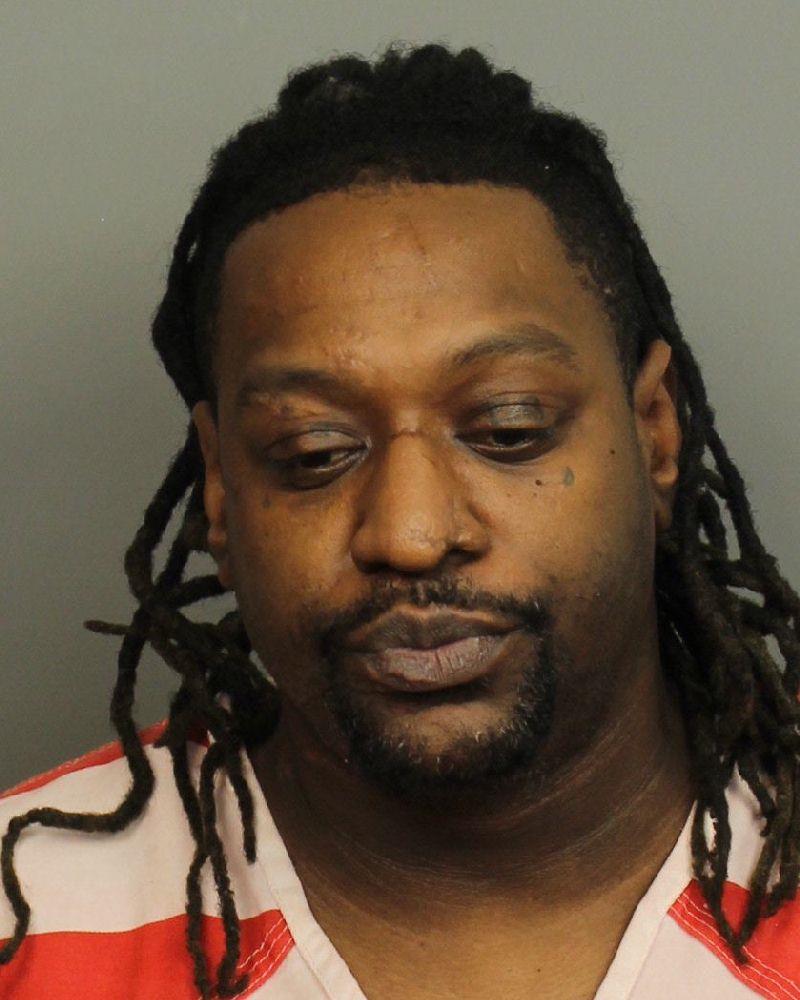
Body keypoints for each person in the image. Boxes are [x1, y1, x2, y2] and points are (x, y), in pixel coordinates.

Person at [1, 42, 798, 1000]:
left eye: (508, 429)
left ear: (655, 433)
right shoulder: (24, 922)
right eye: (313, 452)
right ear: (219, 488)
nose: (411, 535)